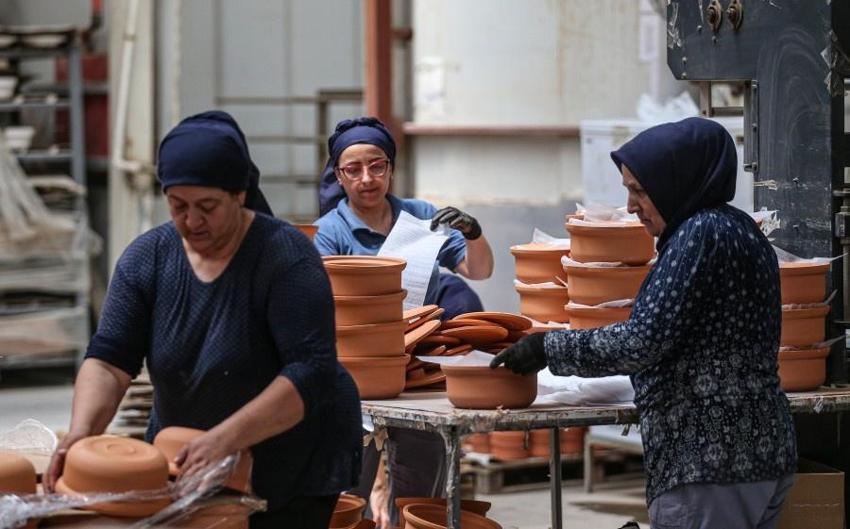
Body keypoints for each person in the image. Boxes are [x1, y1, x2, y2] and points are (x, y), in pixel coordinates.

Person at [44, 111, 362, 529]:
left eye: (207, 207)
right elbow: (109, 359)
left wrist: (225, 439)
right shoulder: (148, 259)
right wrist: (81, 432)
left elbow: (311, 372)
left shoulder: (285, 257)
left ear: (240, 194)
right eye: (178, 206)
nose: (192, 221)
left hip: (293, 460)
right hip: (189, 455)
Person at [492, 117, 797, 529]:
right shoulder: (743, 230)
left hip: (708, 459)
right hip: (763, 452)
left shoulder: (699, 235)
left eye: (639, 191)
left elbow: (641, 341)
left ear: (679, 181)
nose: (632, 205)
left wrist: (548, 348)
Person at [314, 117, 494, 528]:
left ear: (391, 167)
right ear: (338, 176)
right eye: (353, 169)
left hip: (417, 373)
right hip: (356, 374)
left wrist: (473, 232)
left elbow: (478, 270)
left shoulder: (421, 217)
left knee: (418, 496)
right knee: (347, 497)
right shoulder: (330, 231)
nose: (367, 178)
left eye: (377, 166)